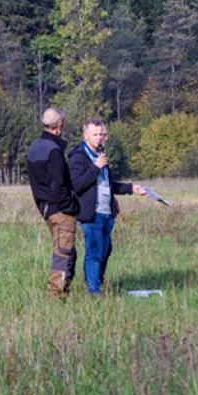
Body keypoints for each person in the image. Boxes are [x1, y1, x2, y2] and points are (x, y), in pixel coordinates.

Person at [67, 118, 147, 295]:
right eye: (95, 134)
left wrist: (131, 188)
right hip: (91, 213)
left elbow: (109, 184)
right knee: (94, 252)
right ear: (85, 135)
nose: (99, 137)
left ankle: (97, 283)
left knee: (105, 250)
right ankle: (93, 292)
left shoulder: (100, 154)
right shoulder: (78, 157)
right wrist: (95, 168)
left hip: (106, 212)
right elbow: (76, 185)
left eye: (102, 134)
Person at [27, 108, 81, 297]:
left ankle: (64, 291)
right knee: (63, 254)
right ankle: (56, 298)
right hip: (61, 211)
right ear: (59, 126)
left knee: (67, 253)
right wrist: (71, 207)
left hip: (46, 209)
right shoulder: (54, 151)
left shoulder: (34, 147)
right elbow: (59, 186)